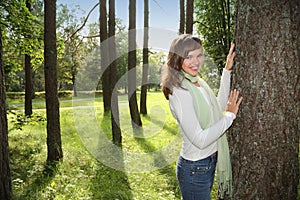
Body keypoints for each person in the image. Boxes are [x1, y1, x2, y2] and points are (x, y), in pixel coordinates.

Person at [161, 34, 243, 200]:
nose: (196, 62)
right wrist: (229, 116)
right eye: (188, 57)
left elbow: (217, 108)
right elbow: (200, 139)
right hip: (195, 168)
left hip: (208, 162)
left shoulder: (196, 82)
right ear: (177, 59)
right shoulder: (179, 91)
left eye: (199, 55)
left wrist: (227, 71)